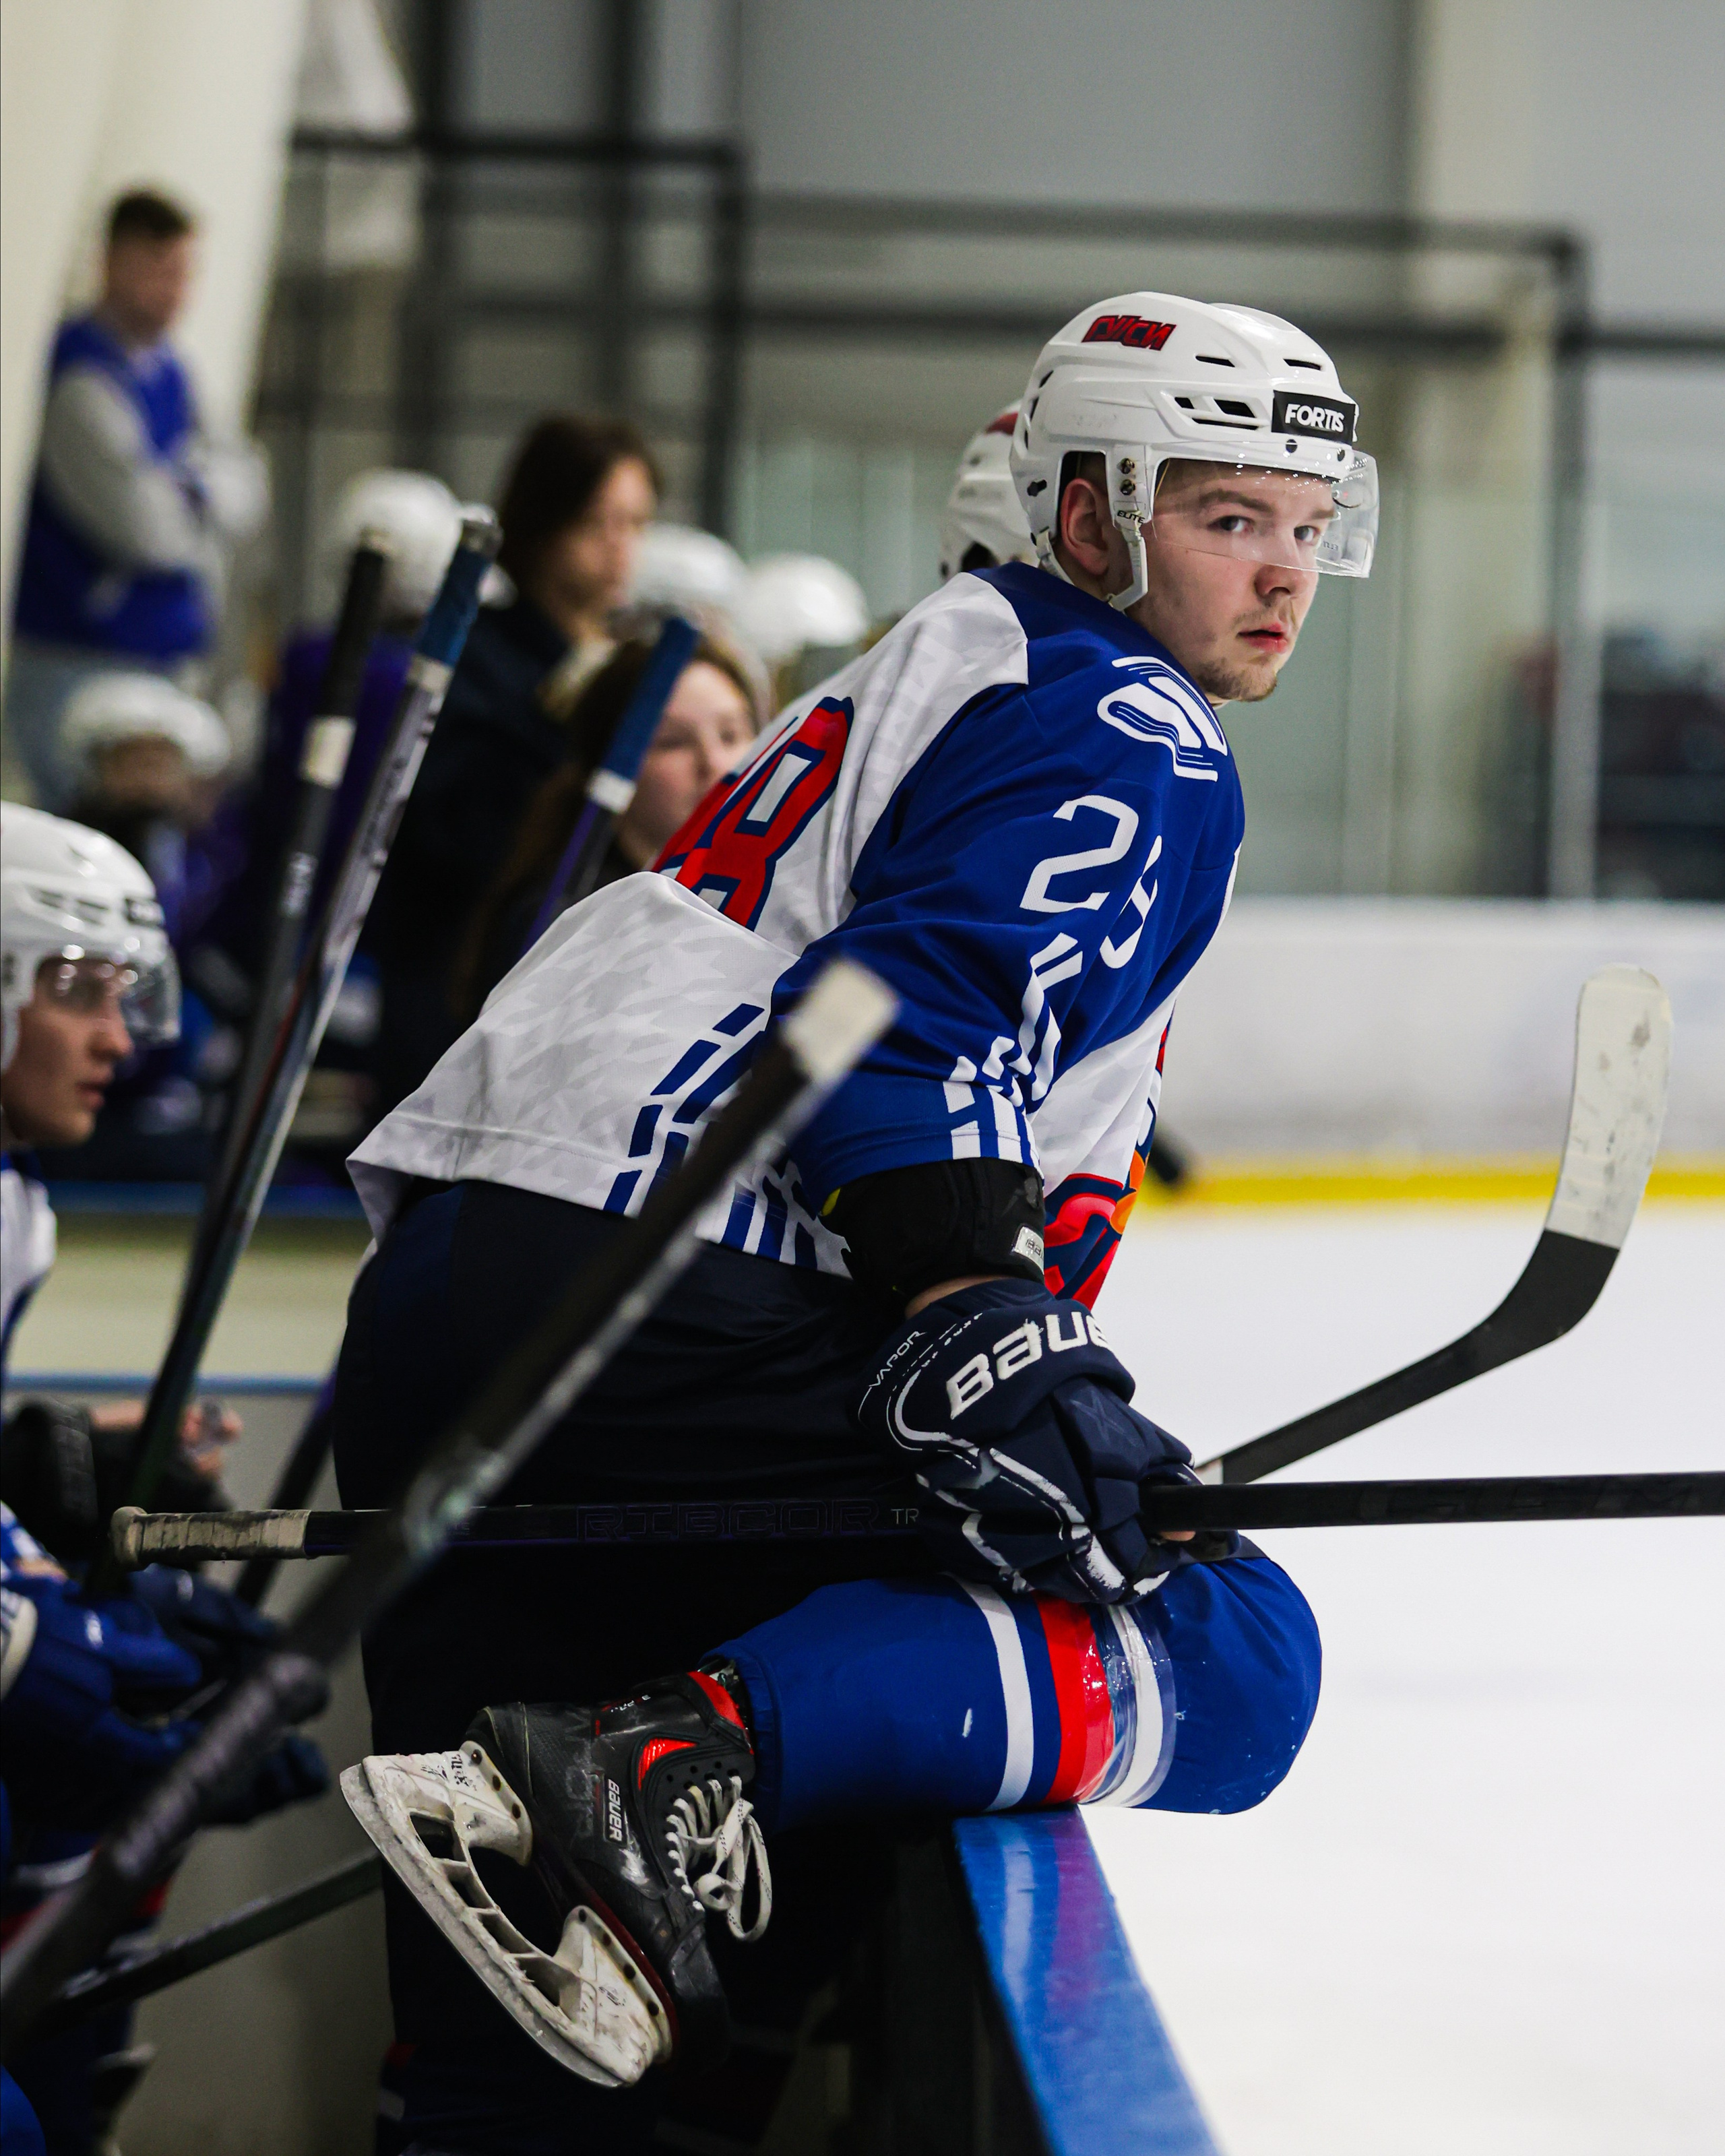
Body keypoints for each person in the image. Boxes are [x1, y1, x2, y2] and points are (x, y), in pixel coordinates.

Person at [332, 291, 1377, 2146]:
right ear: (1092, 518)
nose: (1285, 571)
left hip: (453, 1294)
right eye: (1231, 519)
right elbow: (905, 1033)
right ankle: (671, 1754)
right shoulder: (1127, 717)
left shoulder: (937, 662)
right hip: (672, 1288)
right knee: (1232, 1658)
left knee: (533, 2030)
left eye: (1309, 523)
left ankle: (625, 1805)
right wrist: (984, 1317)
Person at [0, 802, 327, 2153]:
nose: (117, 1040)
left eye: (125, 996)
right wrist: (36, 1647)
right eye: (75, 990)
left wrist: (60, 1461)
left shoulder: (15, 1199)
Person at [367, 416, 658, 1120]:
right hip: (460, 987)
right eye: (597, 523)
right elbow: (450, 832)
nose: (619, 549)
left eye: (635, 523)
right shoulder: (471, 659)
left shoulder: (631, 663)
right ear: (543, 522)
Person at [7, 189, 267, 811]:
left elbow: (248, 491)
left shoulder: (174, 373)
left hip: (161, 662)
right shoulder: (81, 375)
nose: (176, 289)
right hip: (76, 662)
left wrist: (185, 489)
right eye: (160, 268)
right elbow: (150, 532)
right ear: (114, 263)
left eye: (184, 271)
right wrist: (198, 494)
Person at [451, 631, 762, 1020]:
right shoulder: (562, 917)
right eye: (672, 742)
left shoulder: (769, 903)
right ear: (608, 771)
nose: (715, 764)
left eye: (731, 734)